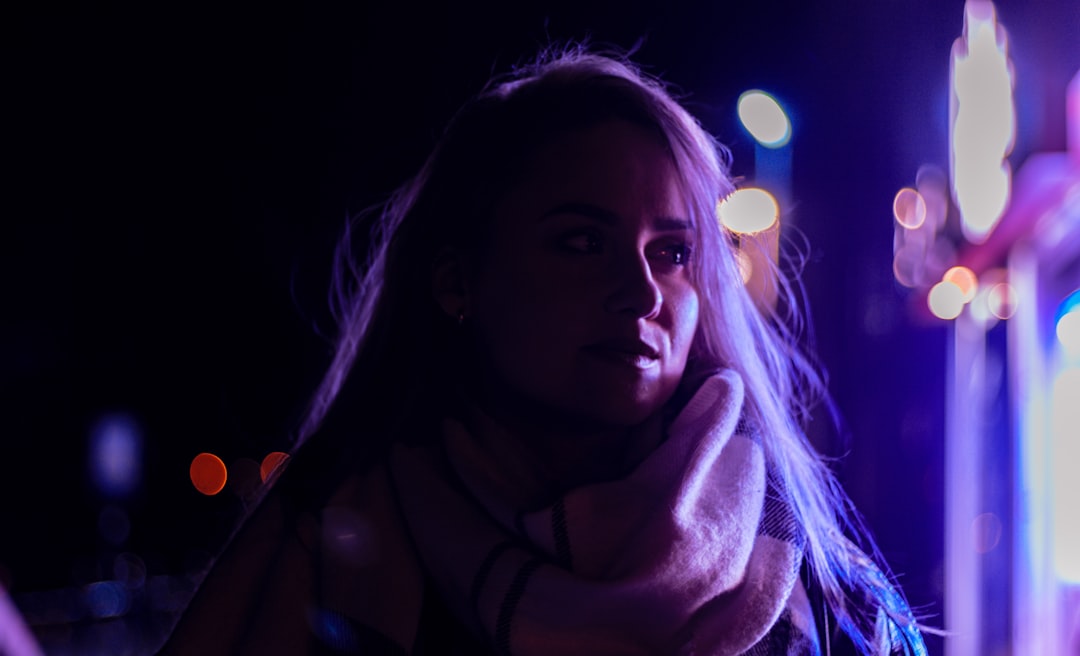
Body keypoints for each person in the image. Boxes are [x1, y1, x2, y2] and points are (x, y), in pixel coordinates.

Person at [158, 42, 929, 655]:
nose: (642, 291)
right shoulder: (322, 561)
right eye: (581, 243)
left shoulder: (823, 596)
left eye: (671, 253)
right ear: (459, 282)